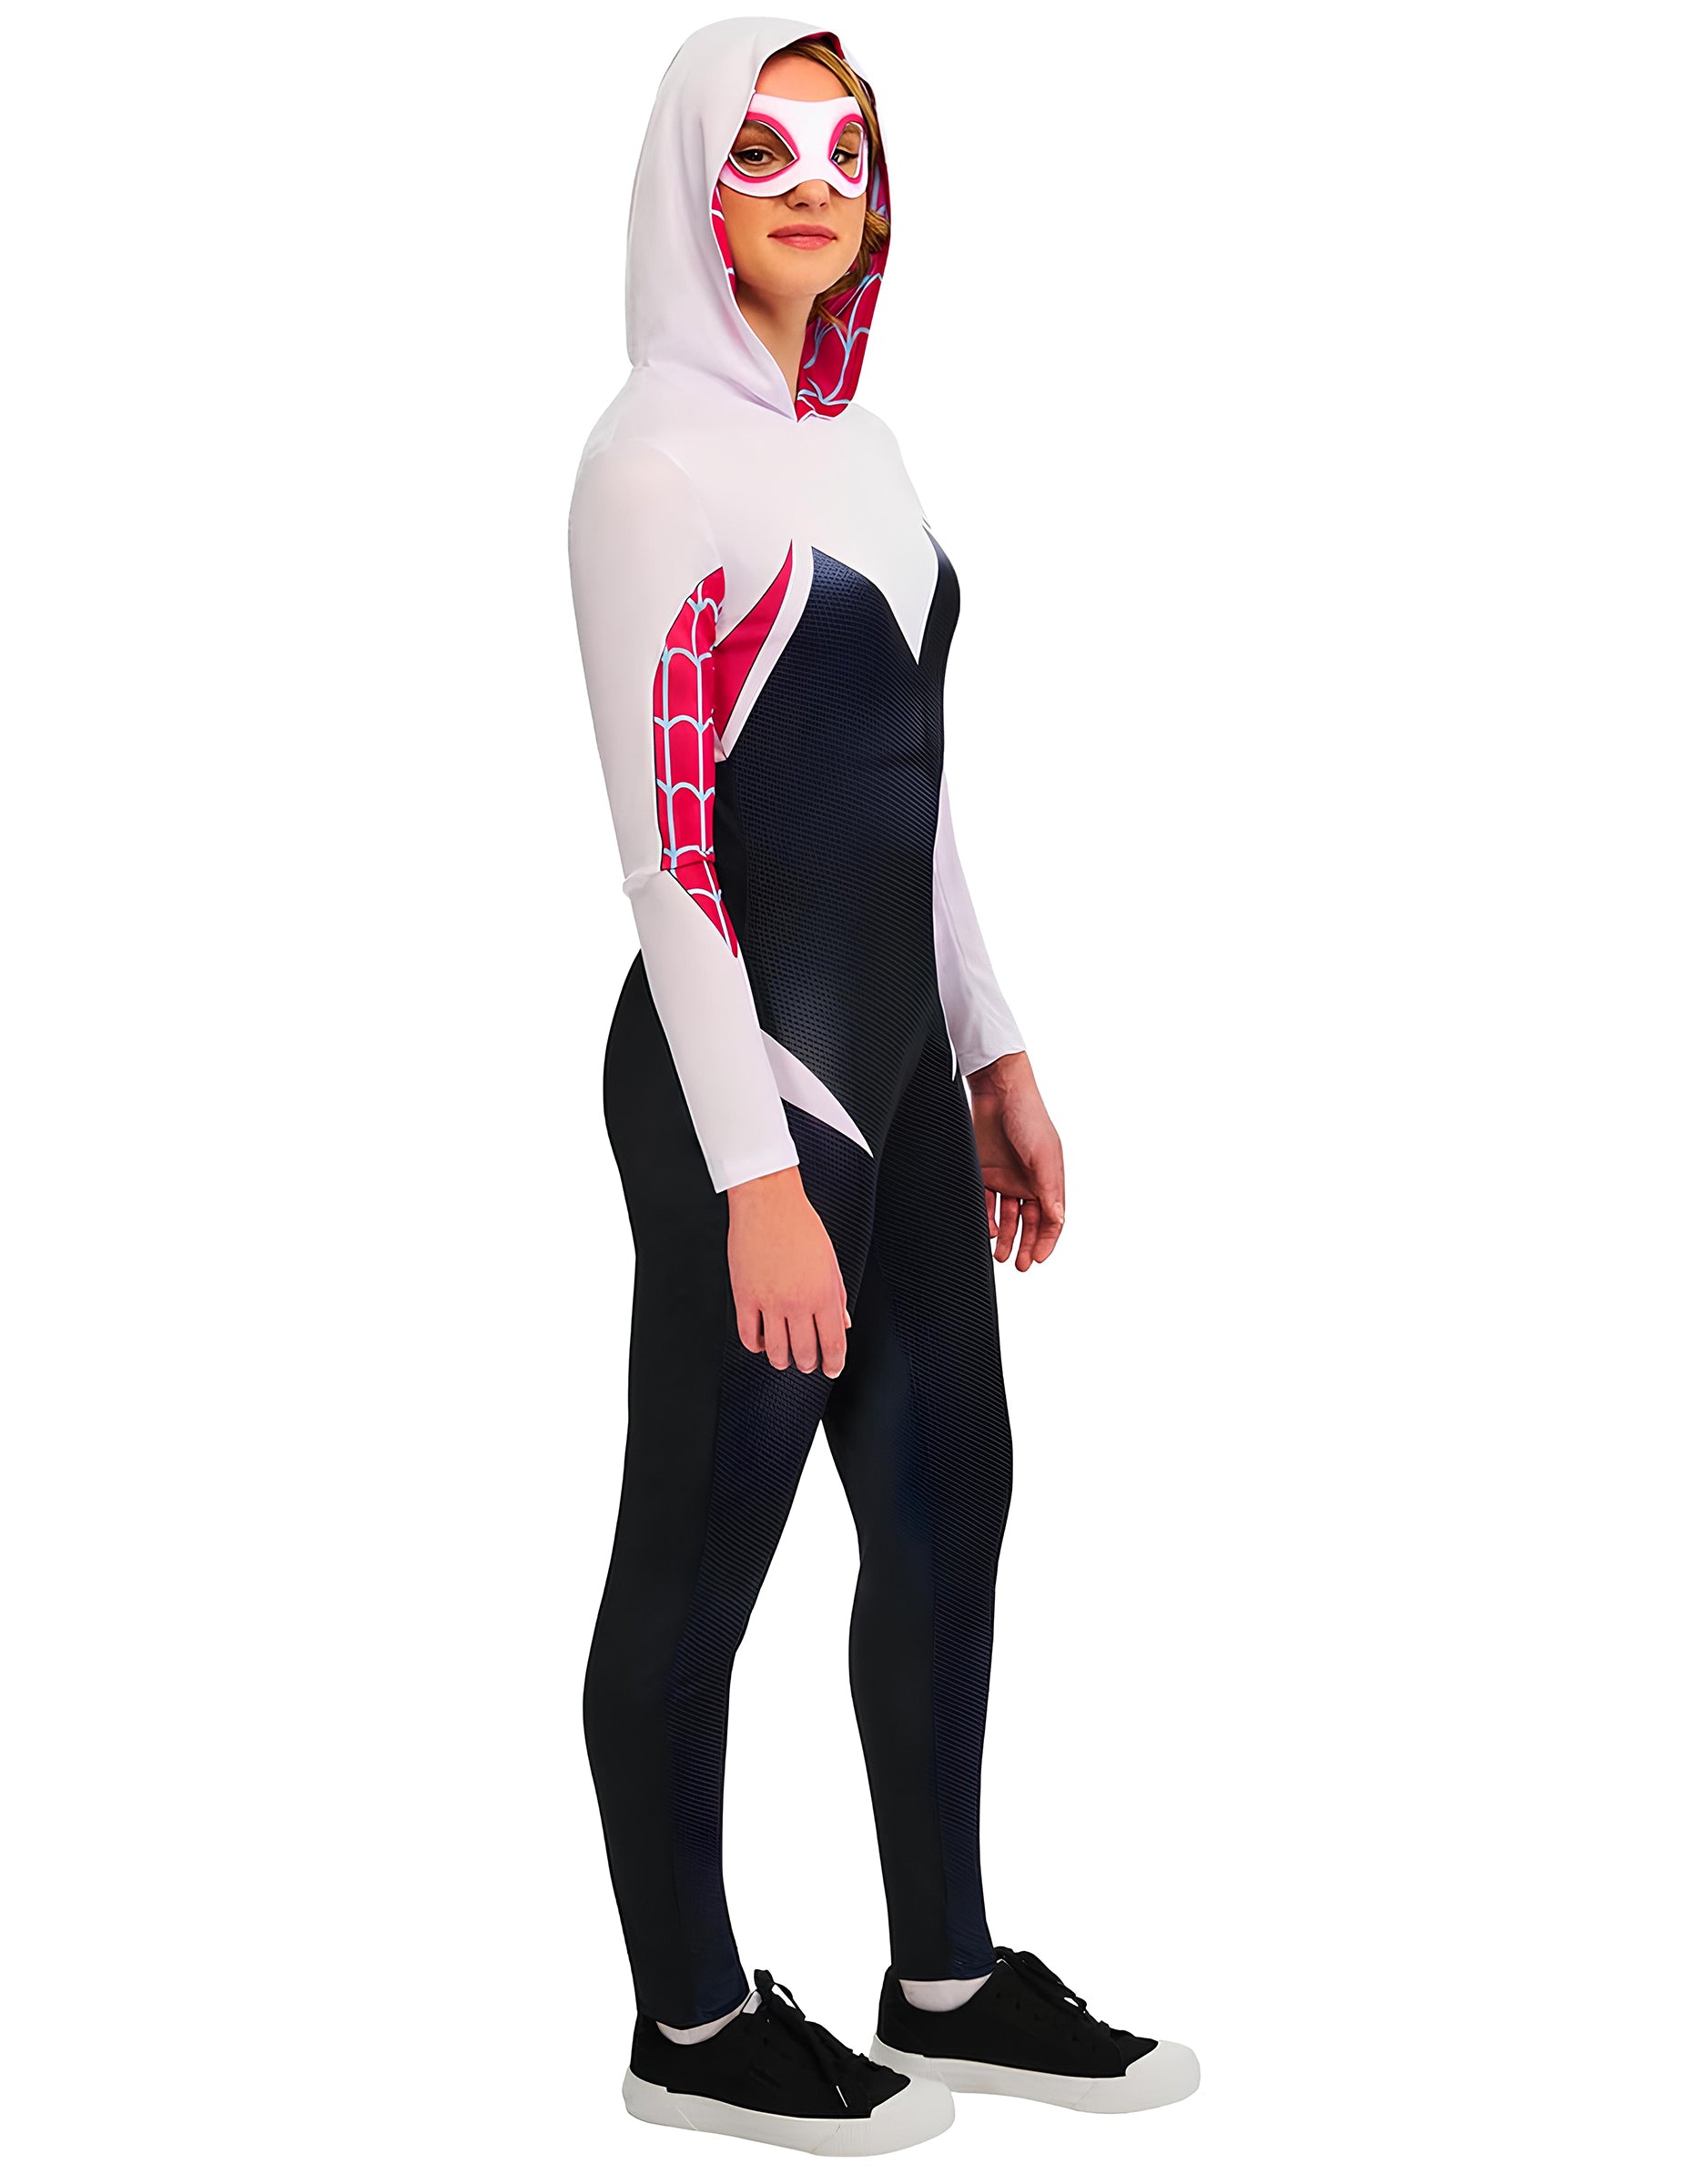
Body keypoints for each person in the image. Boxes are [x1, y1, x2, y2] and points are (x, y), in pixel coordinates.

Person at [567, 16, 1199, 2156]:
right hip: (749, 1079)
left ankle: (943, 1974)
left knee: (947, 1501)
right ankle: (688, 2020)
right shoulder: (646, 463)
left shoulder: (869, 446)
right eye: (762, 150)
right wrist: (752, 1172)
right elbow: (667, 855)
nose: (812, 186)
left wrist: (994, 1044)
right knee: (704, 1550)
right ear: (690, 182)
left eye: (845, 150)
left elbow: (910, 795)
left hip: (906, 1074)